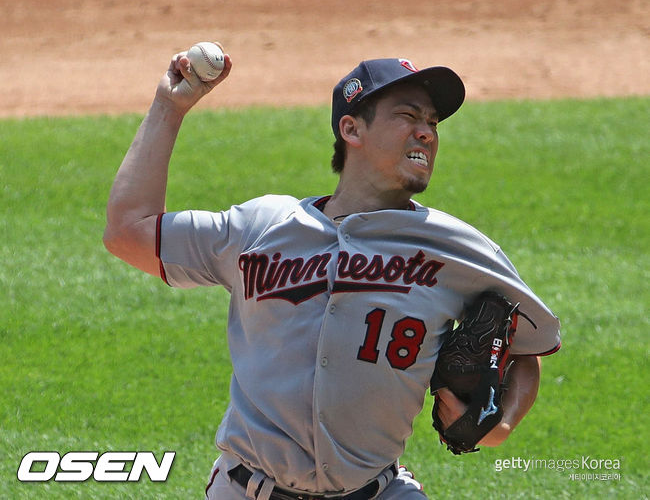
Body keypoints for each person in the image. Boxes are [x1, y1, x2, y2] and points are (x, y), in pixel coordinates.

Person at [104, 50, 561, 499]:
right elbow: (128, 232)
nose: (426, 132)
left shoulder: (456, 248)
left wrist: (501, 424)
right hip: (246, 489)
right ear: (351, 129)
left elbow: (529, 343)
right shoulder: (261, 227)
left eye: (433, 123)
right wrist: (169, 106)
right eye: (408, 116)